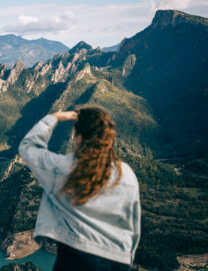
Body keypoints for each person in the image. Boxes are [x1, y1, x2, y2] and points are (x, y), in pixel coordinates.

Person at [18, 106, 141, 271]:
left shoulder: (63, 168)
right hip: (119, 261)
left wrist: (54, 117)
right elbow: (133, 226)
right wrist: (127, 258)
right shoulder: (126, 174)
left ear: (79, 138)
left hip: (77, 259)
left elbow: (28, 148)